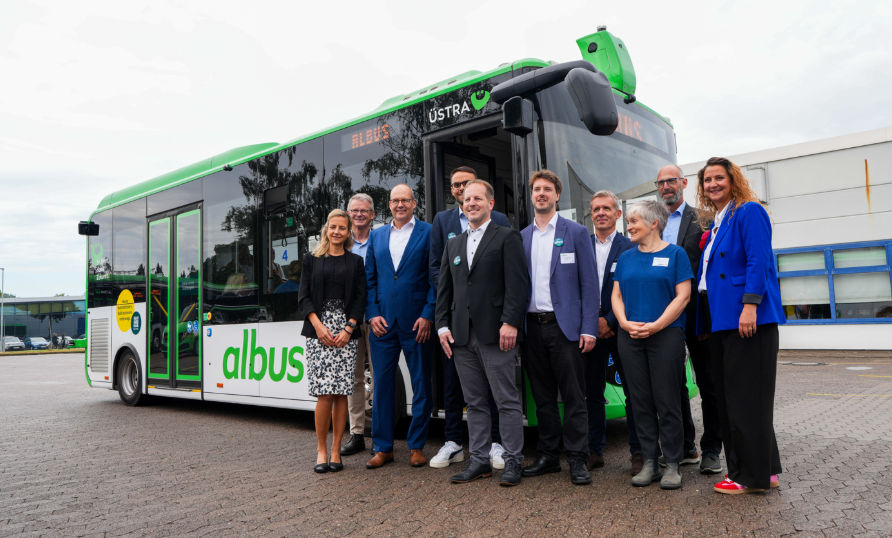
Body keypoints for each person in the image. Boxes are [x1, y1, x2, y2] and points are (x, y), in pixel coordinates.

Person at [694, 157, 784, 494]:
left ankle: (748, 477)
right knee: (742, 399)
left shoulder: (749, 211)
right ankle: (766, 470)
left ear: (733, 180)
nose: (713, 184)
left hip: (746, 319)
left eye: (719, 177)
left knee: (745, 401)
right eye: (707, 180)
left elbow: (758, 260)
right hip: (722, 321)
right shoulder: (718, 222)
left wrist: (750, 305)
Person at [436, 179, 530, 486]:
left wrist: (511, 322)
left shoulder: (507, 237)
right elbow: (444, 290)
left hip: (496, 333)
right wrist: (442, 326)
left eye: (477, 198)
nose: (471, 203)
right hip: (461, 336)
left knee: (506, 400)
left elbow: (518, 284)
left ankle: (513, 459)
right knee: (474, 402)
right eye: (466, 199)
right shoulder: (453, 243)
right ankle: (479, 460)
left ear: (491, 203)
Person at [429, 166, 511, 470]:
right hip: (457, 322)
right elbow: (437, 267)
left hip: (489, 322)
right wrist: (449, 308)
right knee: (455, 385)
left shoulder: (499, 221)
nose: (462, 190)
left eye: (466, 184)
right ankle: (454, 442)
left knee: (492, 387)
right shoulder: (442, 221)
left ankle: (496, 443)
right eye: (456, 186)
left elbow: (507, 272)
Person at [519, 170, 598, 486]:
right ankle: (549, 456)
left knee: (575, 396)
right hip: (532, 328)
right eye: (536, 189)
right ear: (532, 195)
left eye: (547, 189)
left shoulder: (576, 232)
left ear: (557, 195)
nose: (541, 193)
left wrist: (589, 328)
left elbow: (589, 285)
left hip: (565, 329)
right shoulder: (522, 237)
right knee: (542, 397)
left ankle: (578, 459)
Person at [612, 199, 692, 490]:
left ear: (653, 223)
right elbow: (616, 295)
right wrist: (624, 323)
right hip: (630, 336)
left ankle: (672, 463)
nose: (629, 227)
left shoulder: (676, 254)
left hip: (666, 336)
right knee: (640, 401)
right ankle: (650, 461)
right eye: (629, 222)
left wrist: (657, 325)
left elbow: (683, 296)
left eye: (634, 221)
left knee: (667, 400)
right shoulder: (626, 258)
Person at [656, 164, 723, 475]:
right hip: (663, 318)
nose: (666, 187)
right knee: (672, 384)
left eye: (671, 181)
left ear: (683, 183)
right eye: (661, 183)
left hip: (698, 317)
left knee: (708, 384)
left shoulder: (704, 219)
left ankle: (712, 450)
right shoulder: (653, 221)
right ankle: (686, 447)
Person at [364, 184, 435, 469]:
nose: (400, 205)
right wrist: (372, 314)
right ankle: (383, 448)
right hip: (382, 325)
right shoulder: (377, 235)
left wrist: (428, 314)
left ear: (414, 203)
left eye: (405, 200)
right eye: (395, 200)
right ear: (389, 204)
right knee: (382, 387)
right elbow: (369, 279)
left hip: (417, 323)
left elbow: (434, 278)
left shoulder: (428, 232)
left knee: (421, 385)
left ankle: (417, 446)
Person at [297, 209, 367, 473]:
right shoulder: (311, 260)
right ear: (326, 229)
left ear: (348, 232)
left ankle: (336, 450)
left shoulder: (355, 262)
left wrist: (349, 328)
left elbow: (360, 297)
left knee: (341, 394)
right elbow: (303, 297)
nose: (337, 232)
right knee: (324, 393)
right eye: (333, 227)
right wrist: (318, 326)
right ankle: (321, 450)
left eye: (342, 228)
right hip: (319, 331)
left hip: (346, 332)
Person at [583, 190, 642, 474]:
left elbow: (632, 290)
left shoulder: (630, 247)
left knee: (632, 392)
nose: (600, 213)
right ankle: (594, 451)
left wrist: (609, 320)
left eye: (606, 208)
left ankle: (638, 452)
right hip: (589, 331)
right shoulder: (581, 244)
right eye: (596, 209)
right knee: (591, 394)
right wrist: (591, 322)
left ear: (618, 214)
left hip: (620, 330)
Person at [341, 193, 375, 457]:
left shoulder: (381, 239)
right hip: (349, 320)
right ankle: (357, 434)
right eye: (354, 211)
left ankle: (382, 436)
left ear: (372, 214)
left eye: (364, 210)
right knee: (354, 379)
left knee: (380, 377)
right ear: (348, 214)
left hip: (375, 317)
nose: (359, 214)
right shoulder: (341, 243)